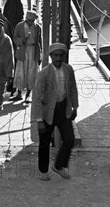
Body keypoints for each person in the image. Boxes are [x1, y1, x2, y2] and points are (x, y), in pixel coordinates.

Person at [32, 43, 78, 181]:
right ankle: (43, 171)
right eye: (55, 55)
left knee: (69, 139)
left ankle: (59, 165)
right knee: (44, 142)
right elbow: (37, 98)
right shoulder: (43, 74)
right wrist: (39, 120)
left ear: (64, 56)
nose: (58, 58)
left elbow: (73, 89)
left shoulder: (68, 69)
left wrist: (74, 107)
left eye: (61, 55)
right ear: (51, 56)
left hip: (63, 109)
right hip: (48, 112)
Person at [12, 10, 42, 102]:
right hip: (22, 50)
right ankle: (19, 93)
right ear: (26, 19)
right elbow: (15, 38)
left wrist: (40, 54)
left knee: (32, 71)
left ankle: (29, 94)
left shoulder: (37, 27)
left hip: (33, 51)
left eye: (32, 21)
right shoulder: (19, 26)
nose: (30, 23)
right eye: (29, 20)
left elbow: (40, 41)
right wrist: (22, 40)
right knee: (21, 71)